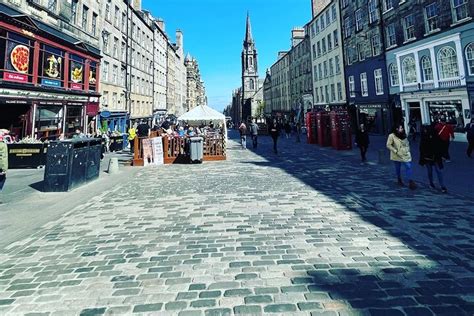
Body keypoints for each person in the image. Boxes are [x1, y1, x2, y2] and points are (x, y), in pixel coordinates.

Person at [386, 124, 416, 190]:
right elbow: (388, 145)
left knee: (408, 166)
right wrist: (395, 151)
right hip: (396, 155)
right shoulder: (391, 136)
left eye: (402, 128)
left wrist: (407, 150)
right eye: (401, 128)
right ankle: (399, 179)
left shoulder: (404, 134)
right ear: (397, 129)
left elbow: (407, 143)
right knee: (398, 168)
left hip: (405, 154)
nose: (402, 129)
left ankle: (411, 181)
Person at [419, 125, 447, 193]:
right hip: (429, 157)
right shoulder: (425, 137)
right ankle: (432, 183)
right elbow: (421, 149)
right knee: (432, 171)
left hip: (433, 156)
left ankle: (441, 185)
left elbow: (440, 146)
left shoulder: (433, 137)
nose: (425, 131)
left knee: (437, 171)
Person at [0, 134, 8, 199]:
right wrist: (4, 169)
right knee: (2, 179)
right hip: (0, 167)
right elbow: (3, 157)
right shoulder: (2, 145)